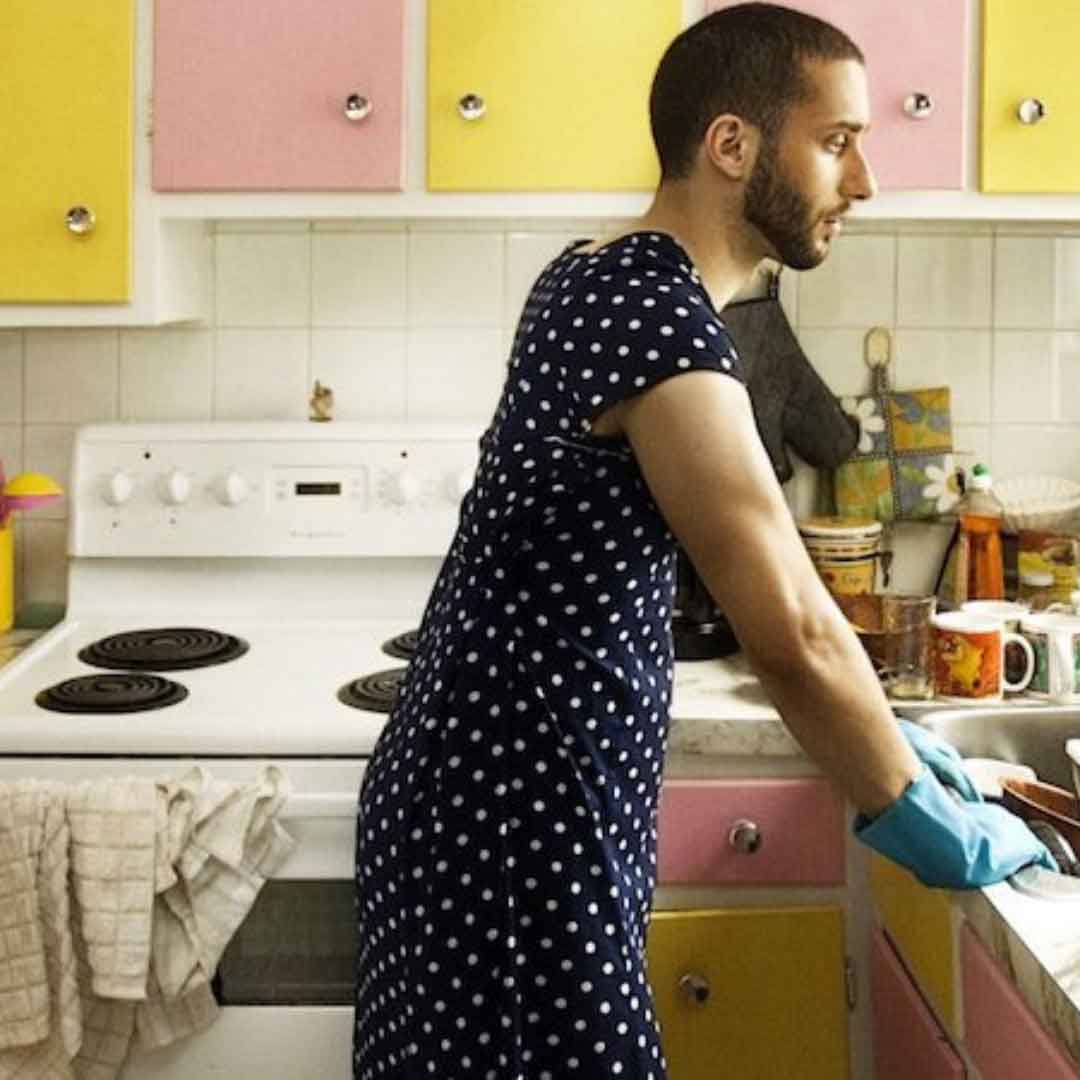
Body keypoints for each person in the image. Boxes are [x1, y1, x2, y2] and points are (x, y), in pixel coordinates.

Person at [353, 5, 1056, 1078]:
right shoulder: (655, 321)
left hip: (484, 809)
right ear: (731, 146)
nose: (861, 182)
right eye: (836, 142)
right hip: (514, 838)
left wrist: (892, 740)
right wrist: (916, 815)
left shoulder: (595, 275)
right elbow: (794, 637)